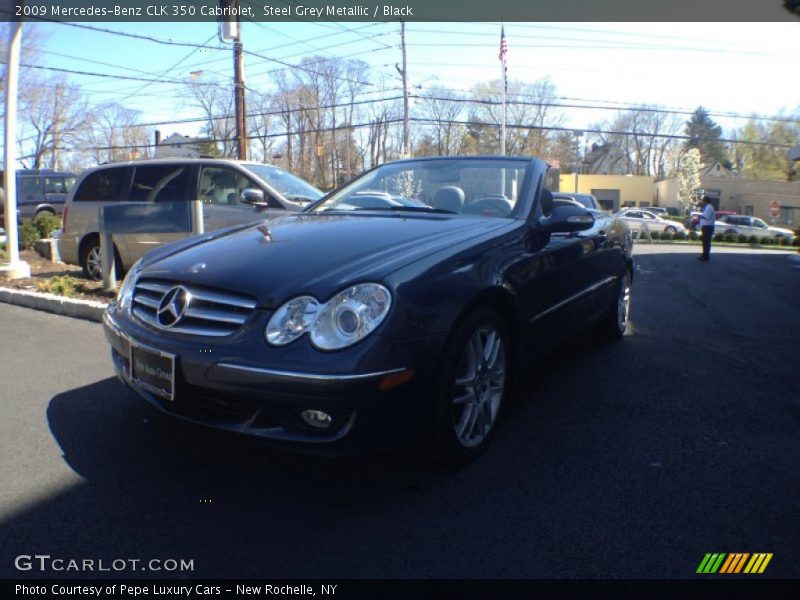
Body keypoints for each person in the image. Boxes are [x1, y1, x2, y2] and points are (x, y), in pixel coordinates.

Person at [697, 196, 715, 262]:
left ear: (705, 201)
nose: (702, 202)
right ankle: (704, 255)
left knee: (706, 242)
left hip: (708, 227)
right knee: (705, 242)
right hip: (707, 227)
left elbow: (706, 216)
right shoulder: (708, 207)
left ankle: (705, 256)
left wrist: (700, 216)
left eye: (703, 201)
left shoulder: (709, 208)